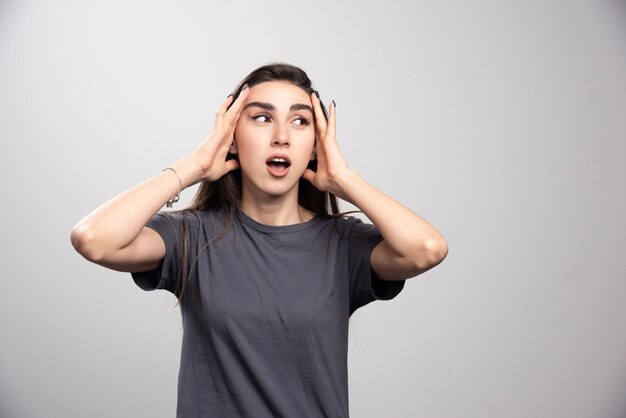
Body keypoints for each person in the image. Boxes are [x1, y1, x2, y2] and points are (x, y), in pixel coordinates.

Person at [71, 63, 448, 417]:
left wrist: (344, 180)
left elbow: (427, 249)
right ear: (232, 137)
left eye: (300, 121)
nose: (281, 137)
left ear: (315, 145)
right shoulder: (191, 236)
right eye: (263, 118)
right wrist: (193, 167)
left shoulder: (343, 244)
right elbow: (94, 239)